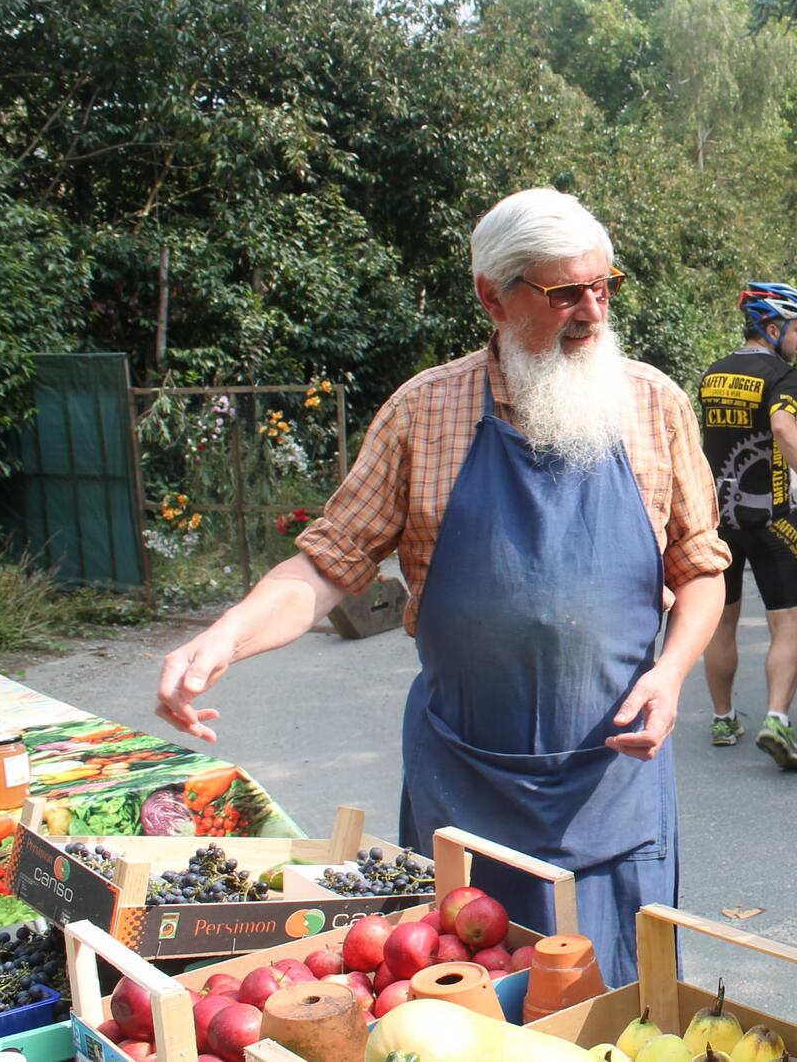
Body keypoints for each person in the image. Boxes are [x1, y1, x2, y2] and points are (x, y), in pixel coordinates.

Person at [150, 188, 729, 986]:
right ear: (492, 295)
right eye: (564, 292)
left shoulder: (652, 404)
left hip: (613, 788)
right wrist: (226, 634)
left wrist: (671, 674)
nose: (592, 312)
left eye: (604, 286)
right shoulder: (424, 412)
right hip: (466, 791)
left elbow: (699, 569)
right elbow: (326, 565)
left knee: (617, 1008)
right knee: (455, 1013)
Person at [698, 282, 797, 771]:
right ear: (773, 327)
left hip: (717, 520)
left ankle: (723, 719)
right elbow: (783, 429)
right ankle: (776, 719)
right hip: (769, 520)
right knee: (785, 625)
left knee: (721, 622)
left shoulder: (712, 375)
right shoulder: (781, 374)